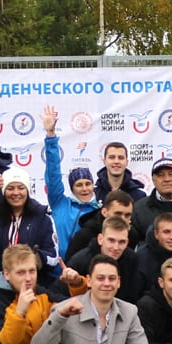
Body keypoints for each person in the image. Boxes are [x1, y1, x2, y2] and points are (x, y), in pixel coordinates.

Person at [0, 168, 61, 280]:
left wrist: (37, 258)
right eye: (10, 188)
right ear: (4, 191)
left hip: (33, 282)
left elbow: (54, 257)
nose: (16, 193)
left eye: (21, 188)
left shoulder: (43, 217)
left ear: (28, 190)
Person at [39, 107, 96, 251]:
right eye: (79, 185)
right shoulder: (60, 203)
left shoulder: (100, 211)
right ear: (72, 188)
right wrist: (51, 136)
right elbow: (53, 174)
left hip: (84, 265)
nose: (84, 188)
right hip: (58, 264)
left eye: (88, 183)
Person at [133, 159, 172, 239]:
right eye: (160, 175)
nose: (167, 179)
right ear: (153, 180)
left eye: (171, 174)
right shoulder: (139, 209)